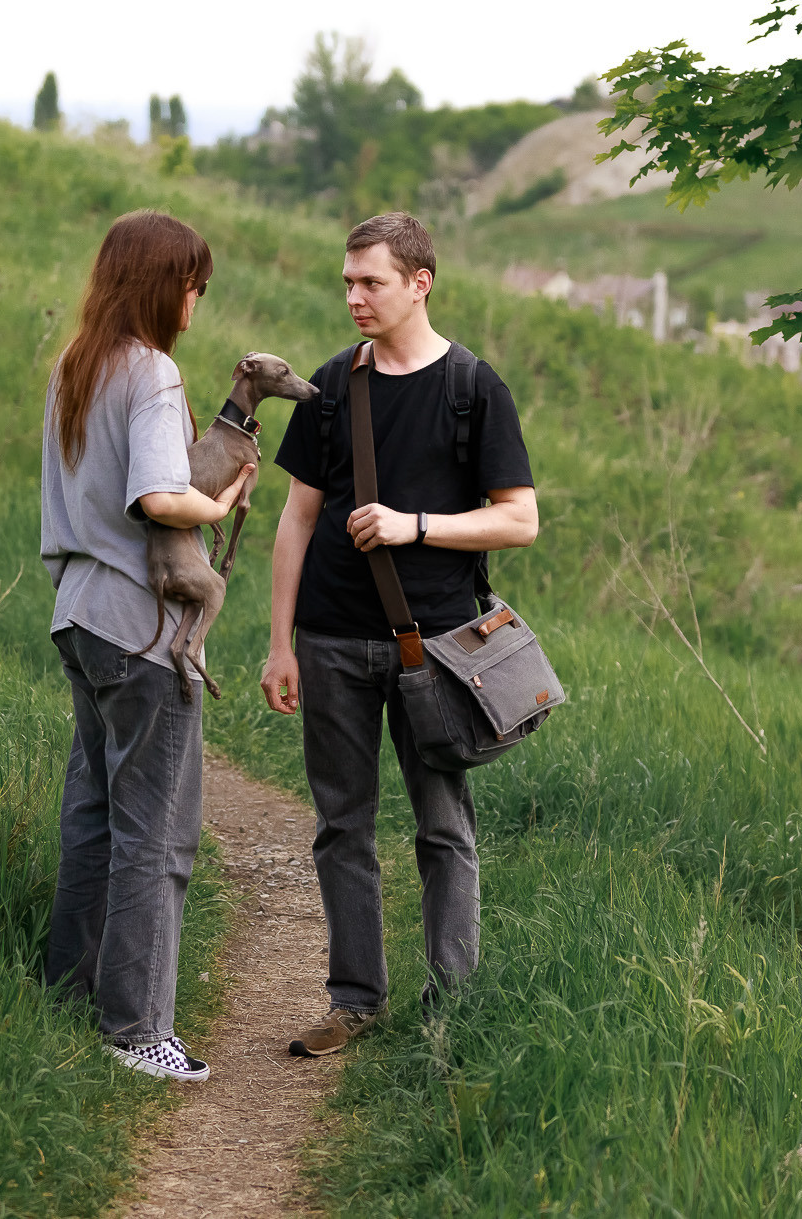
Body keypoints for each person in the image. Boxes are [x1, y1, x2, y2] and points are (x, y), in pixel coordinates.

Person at [259, 212, 537, 1057]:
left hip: (439, 647)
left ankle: (452, 1004)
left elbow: (519, 521)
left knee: (443, 825)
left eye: (370, 281)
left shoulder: (473, 387)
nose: (354, 296)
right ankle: (354, 1002)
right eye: (347, 281)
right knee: (341, 825)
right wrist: (280, 642)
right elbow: (296, 519)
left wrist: (416, 526)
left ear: (420, 282)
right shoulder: (330, 386)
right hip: (332, 640)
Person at [40, 210, 252, 1081]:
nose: (198, 296)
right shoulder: (154, 371)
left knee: (92, 815)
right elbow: (161, 497)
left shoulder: (75, 365)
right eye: (194, 281)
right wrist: (223, 500)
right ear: (166, 283)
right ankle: (137, 1033)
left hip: (78, 614)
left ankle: (65, 994)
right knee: (157, 834)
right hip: (141, 624)